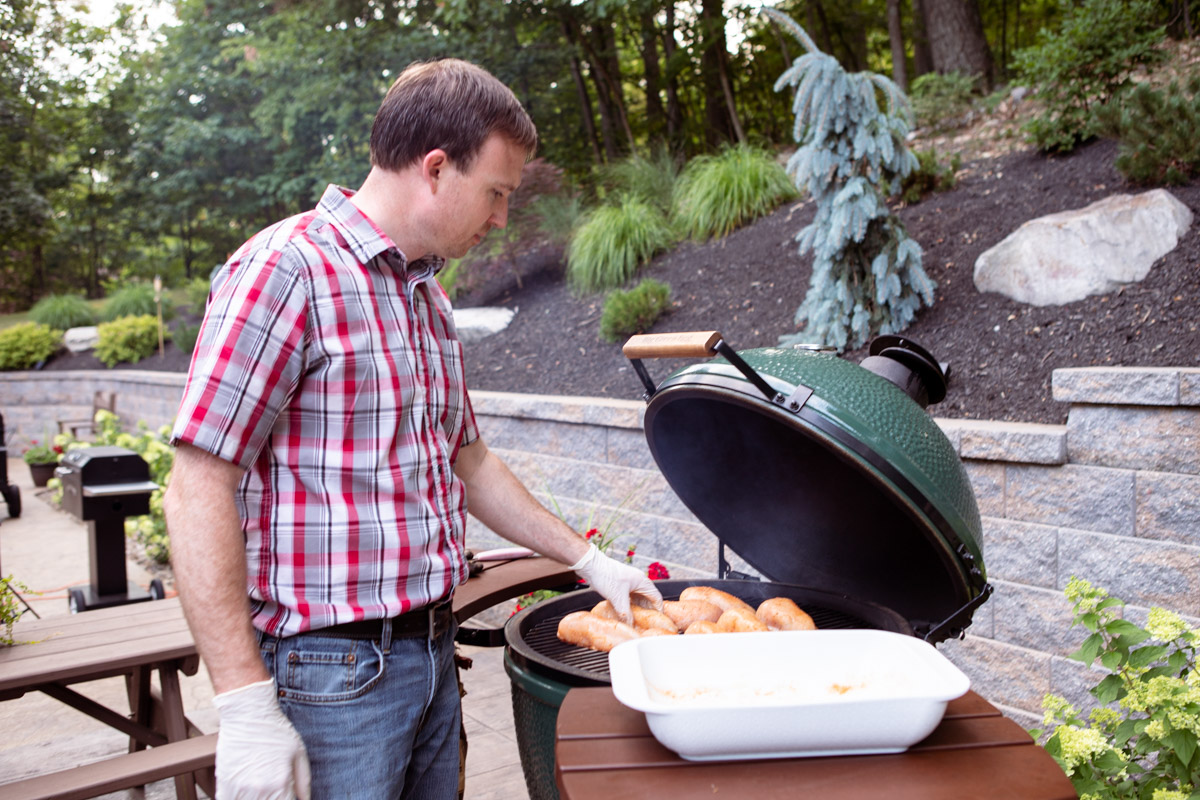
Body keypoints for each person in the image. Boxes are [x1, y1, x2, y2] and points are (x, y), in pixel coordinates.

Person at [163, 58, 662, 800]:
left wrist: (588, 561)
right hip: (330, 675)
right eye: (495, 193)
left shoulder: (425, 295)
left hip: (431, 652)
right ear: (435, 167)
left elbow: (470, 461)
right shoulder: (285, 270)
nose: (500, 218)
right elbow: (198, 481)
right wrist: (242, 702)